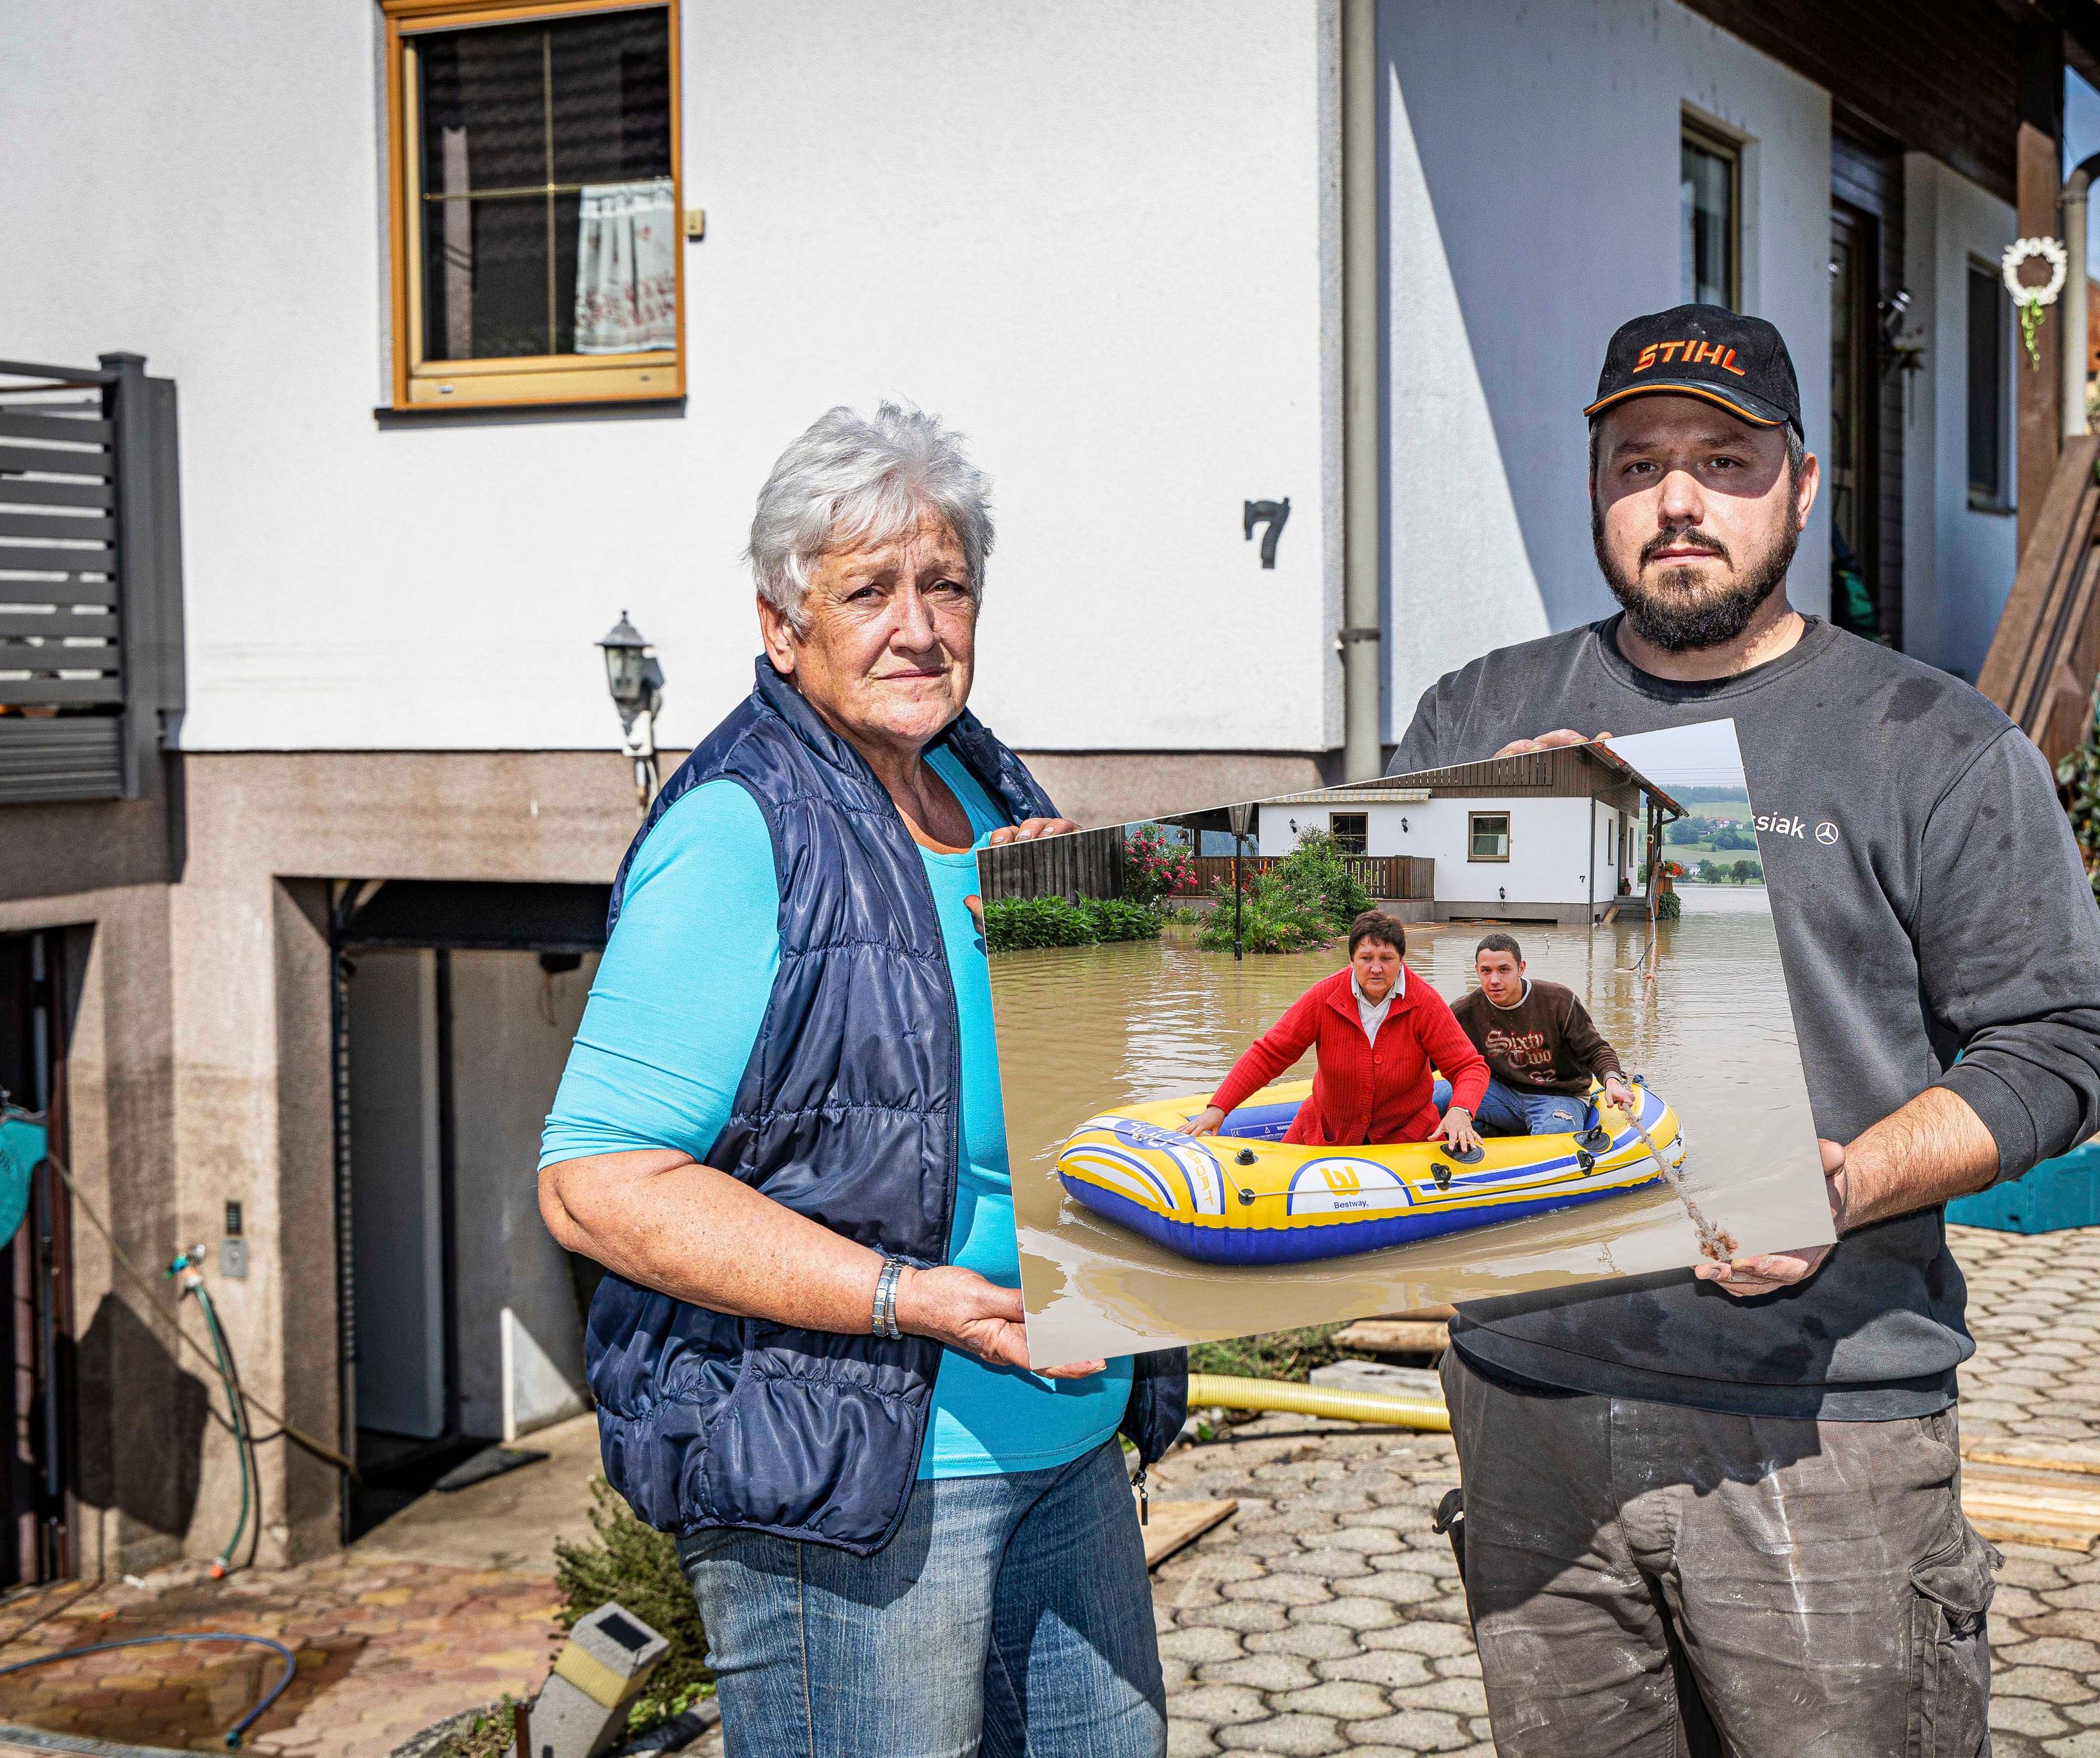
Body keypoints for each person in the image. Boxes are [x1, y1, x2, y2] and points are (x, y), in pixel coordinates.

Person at [1390, 306, 2100, 1757]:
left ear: (1801, 488)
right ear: (1595, 488)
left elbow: (2062, 1040)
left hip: (1822, 1424)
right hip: (1524, 1404)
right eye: (1635, 462)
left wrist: (1842, 1181)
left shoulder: (1925, 741)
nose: (1676, 499)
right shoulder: (1478, 714)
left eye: (1723, 461)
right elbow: (1362, 992)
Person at [537, 402, 1184, 1758]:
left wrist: (1108, 949)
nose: (918, 624)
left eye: (944, 583)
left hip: (1064, 1434)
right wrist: (901, 1297)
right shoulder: (737, 828)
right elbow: (596, 1183)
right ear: (783, 627)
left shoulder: (985, 786)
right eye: (868, 589)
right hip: (860, 1483)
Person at [1185, 909, 1491, 1151]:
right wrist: (1219, 1107)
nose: (1376, 968)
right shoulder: (1323, 996)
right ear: (1351, 960)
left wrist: (1461, 1110)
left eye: (1387, 959)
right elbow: (1270, 1054)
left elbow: (1468, 1067)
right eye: (1366, 958)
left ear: (1401, 961)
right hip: (1327, 1133)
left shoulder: (1424, 1001)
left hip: (1406, 1138)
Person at [1442, 933, 1635, 1137]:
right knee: (1437, 1100)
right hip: (1499, 1092)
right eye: (1486, 971)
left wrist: (1612, 1081)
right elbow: (1433, 1056)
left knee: (1555, 1134)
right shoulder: (1465, 1010)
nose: (1494, 980)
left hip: (1559, 1096)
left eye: (1504, 970)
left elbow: (1596, 1050)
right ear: (1477, 971)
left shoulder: (1558, 1001)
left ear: (1521, 968)